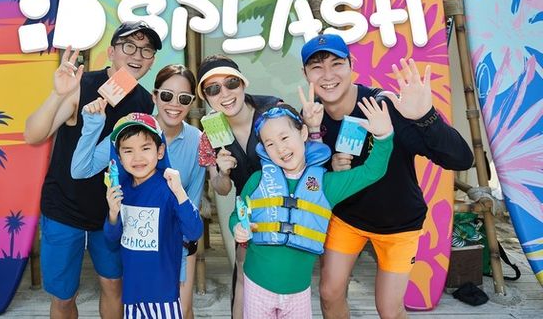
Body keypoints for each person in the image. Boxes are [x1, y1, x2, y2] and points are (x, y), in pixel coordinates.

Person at [300, 34, 474, 319]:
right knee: (329, 294)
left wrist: (426, 116)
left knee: (390, 310)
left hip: (399, 224)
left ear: (352, 64)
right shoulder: (311, 117)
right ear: (305, 73)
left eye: (336, 63)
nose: (328, 75)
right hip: (347, 219)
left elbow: (461, 159)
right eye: (317, 67)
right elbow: (307, 178)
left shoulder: (387, 106)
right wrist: (326, 161)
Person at [24, 21, 161, 319]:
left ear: (152, 61)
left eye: (146, 50)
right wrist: (58, 94)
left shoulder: (143, 102)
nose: (137, 55)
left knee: (113, 285)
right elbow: (33, 134)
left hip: (110, 213)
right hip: (63, 208)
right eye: (129, 46)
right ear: (111, 52)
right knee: (63, 297)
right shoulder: (82, 85)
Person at [231, 102, 394, 318]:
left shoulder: (326, 185)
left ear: (303, 133)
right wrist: (237, 227)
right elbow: (237, 214)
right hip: (257, 285)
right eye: (270, 144)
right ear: (264, 150)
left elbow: (372, 172)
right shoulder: (256, 180)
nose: (280, 148)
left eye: (284, 137)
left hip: (298, 292)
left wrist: (384, 136)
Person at [70, 64, 205, 319]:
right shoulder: (131, 133)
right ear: (154, 96)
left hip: (175, 248)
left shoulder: (197, 140)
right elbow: (80, 170)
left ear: (159, 151)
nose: (174, 104)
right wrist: (92, 125)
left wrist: (184, 251)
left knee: (184, 310)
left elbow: (193, 212)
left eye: (184, 98)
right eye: (167, 95)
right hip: (136, 275)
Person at [196, 55, 281, 319]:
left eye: (231, 83)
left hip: (284, 211)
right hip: (247, 216)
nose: (224, 93)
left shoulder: (273, 111)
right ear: (206, 97)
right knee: (243, 279)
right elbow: (221, 188)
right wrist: (223, 171)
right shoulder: (211, 133)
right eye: (213, 89)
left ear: (243, 83)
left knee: (282, 285)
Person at [103, 113, 203, 317]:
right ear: (119, 157)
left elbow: (194, 231)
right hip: (132, 293)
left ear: (160, 151)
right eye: (128, 150)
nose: (137, 158)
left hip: (163, 295)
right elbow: (111, 240)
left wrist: (180, 193)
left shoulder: (168, 189)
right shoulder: (122, 191)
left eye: (145, 148)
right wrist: (113, 213)